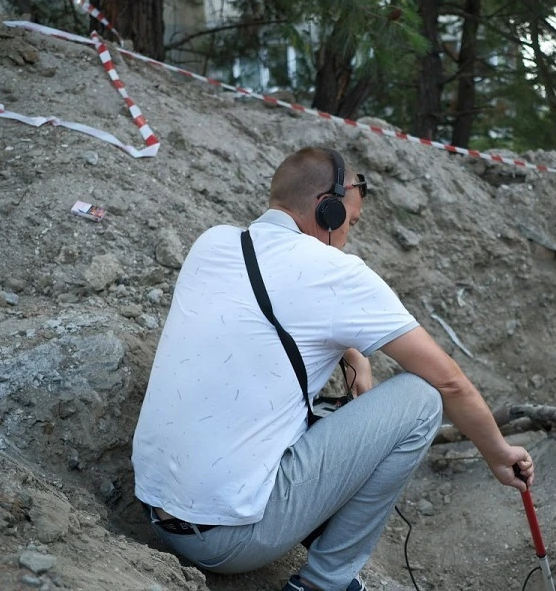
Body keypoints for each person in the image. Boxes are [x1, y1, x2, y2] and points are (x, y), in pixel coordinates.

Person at [131, 147, 535, 591]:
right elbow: (448, 380)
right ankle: (324, 583)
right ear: (328, 208)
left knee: (317, 413)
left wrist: (353, 353)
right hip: (231, 540)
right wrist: (498, 454)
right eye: (351, 222)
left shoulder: (213, 242)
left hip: (157, 509)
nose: (348, 237)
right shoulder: (335, 272)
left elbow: (271, 311)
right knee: (421, 400)